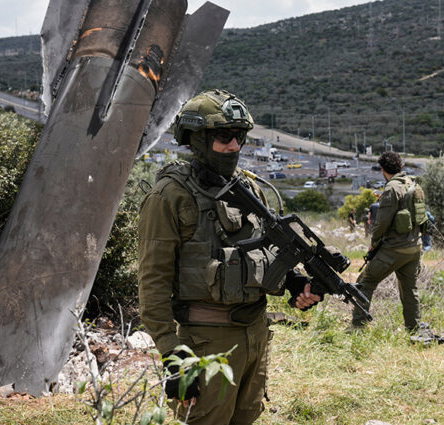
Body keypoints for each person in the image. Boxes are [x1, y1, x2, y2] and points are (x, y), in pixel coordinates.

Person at [137, 89, 321, 424]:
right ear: (197, 139)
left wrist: (293, 282)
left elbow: (263, 251)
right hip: (206, 342)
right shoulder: (169, 197)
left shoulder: (247, 189)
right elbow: (153, 284)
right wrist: (173, 356)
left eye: (240, 136)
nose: (235, 146)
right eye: (224, 137)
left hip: (256, 333)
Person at [351, 152, 444, 343]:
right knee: (410, 289)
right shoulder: (413, 184)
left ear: (383, 169)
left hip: (394, 249)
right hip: (414, 248)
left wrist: (373, 244)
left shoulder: (391, 188)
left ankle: (358, 326)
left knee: (365, 282)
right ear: (400, 167)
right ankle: (413, 327)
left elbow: (382, 222)